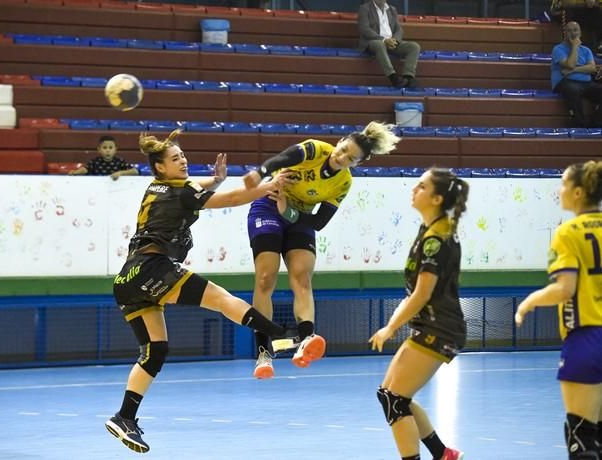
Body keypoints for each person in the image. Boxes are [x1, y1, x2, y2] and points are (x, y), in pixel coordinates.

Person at [105, 129, 292, 454]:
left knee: (155, 351)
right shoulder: (181, 192)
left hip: (127, 279)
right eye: (176, 158)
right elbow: (232, 200)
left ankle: (125, 417)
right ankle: (281, 335)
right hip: (154, 268)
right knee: (221, 299)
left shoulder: (156, 186)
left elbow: (194, 189)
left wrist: (215, 179)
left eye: (183, 156)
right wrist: (269, 187)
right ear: (161, 166)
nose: (184, 160)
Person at [242, 121, 400, 379]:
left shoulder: (343, 183)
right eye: (343, 150)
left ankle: (305, 341)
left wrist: (289, 210)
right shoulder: (315, 150)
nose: (342, 158)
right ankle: (263, 353)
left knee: (302, 277)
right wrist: (261, 174)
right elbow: (282, 158)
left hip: (298, 217)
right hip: (268, 205)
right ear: (338, 142)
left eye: (350, 158)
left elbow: (318, 222)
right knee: (265, 277)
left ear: (356, 164)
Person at [369, 168, 468, 460]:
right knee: (390, 395)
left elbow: (422, 294)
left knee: (394, 399)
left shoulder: (436, 238)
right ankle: (443, 454)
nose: (414, 189)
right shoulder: (432, 228)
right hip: (430, 325)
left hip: (440, 328)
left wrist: (390, 327)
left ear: (436, 198)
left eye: (422, 186)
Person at [515, 161, 602, 460]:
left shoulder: (569, 232)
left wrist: (529, 302)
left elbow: (564, 289)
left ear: (579, 192)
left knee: (582, 437)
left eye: (564, 184)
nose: (559, 190)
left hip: (587, 337)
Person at [358, 0, 421, 88]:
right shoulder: (365, 8)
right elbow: (364, 29)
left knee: (414, 46)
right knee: (379, 44)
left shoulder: (392, 9)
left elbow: (399, 29)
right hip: (374, 41)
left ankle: (408, 77)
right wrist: (384, 40)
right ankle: (393, 77)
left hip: (391, 41)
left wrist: (395, 40)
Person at [551, 21, 602, 128]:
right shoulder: (558, 49)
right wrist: (574, 47)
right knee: (573, 89)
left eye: (575, 30)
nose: (573, 33)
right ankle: (579, 124)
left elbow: (592, 68)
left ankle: (596, 123)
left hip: (586, 83)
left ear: (580, 33)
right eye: (569, 30)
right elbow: (570, 64)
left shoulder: (586, 50)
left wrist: (573, 70)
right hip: (564, 82)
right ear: (565, 33)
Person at [68, 135, 138, 180]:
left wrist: (120, 173)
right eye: (104, 147)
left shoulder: (120, 161)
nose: (108, 150)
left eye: (110, 148)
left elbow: (135, 172)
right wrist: (75, 172)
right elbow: (85, 169)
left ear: (115, 149)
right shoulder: (94, 162)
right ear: (99, 149)